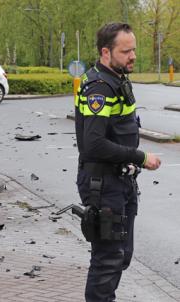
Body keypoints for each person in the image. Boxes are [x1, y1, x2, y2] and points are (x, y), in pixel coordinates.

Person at [74, 22, 161, 301]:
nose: (133, 56)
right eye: (126, 51)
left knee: (121, 255)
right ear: (105, 52)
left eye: (133, 49)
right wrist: (141, 157)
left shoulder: (117, 78)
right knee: (108, 260)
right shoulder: (99, 87)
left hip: (121, 180)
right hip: (103, 184)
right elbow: (94, 143)